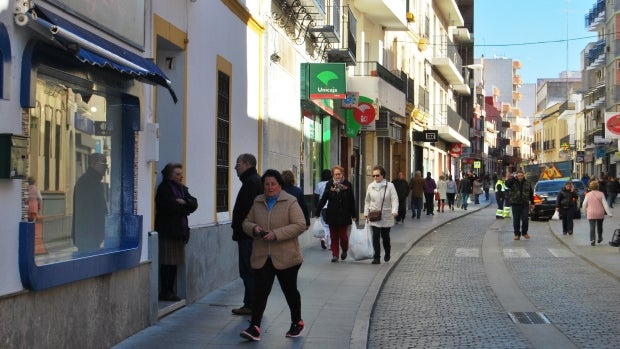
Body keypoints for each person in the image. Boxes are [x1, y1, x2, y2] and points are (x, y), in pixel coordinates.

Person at [240, 169, 307, 341]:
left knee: (290, 291)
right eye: (266, 184)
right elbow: (246, 222)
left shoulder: (290, 201)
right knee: (260, 292)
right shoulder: (258, 201)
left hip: (286, 257)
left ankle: (296, 322)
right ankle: (254, 327)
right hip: (262, 256)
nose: (269, 187)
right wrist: (253, 229)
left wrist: (277, 234)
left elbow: (300, 225)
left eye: (273, 184)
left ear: (279, 185)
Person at [155, 163, 198, 301]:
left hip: (179, 232)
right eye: (177, 174)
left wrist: (184, 202)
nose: (181, 176)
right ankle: (165, 291)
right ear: (170, 175)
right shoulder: (164, 188)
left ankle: (171, 290)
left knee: (174, 263)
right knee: (167, 263)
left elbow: (194, 203)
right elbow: (170, 207)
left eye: (181, 173)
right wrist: (185, 207)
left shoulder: (182, 189)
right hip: (168, 231)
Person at [231, 154, 263, 315]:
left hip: (247, 234)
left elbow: (246, 210)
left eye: (238, 163)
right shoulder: (253, 181)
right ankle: (249, 302)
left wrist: (240, 226)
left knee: (248, 270)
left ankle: (251, 304)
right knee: (249, 270)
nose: (235, 167)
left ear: (247, 164)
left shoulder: (251, 182)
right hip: (248, 233)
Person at [315, 166, 358, 262]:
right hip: (332, 214)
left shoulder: (348, 185)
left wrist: (354, 215)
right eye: (335, 174)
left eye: (339, 174)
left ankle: (344, 250)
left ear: (342, 174)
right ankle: (335, 255)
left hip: (344, 214)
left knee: (343, 237)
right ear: (332, 175)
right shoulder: (329, 184)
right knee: (333, 236)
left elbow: (352, 200)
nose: (337, 176)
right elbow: (324, 198)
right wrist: (317, 211)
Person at [72, 153, 108, 252]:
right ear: (93, 164)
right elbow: (86, 212)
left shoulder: (95, 182)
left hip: (92, 238)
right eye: (103, 164)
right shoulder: (86, 182)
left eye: (106, 164)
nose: (106, 167)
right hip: (87, 238)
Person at [364, 165, 399, 264]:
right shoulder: (370, 186)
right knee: (375, 236)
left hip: (386, 215)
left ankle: (387, 252)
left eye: (377, 175)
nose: (375, 177)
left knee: (385, 237)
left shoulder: (390, 186)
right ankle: (376, 257)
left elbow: (395, 199)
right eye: (373, 176)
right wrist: (366, 212)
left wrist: (394, 210)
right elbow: (367, 201)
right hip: (374, 215)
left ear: (382, 175)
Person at [504, 170, 534, 240]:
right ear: (516, 176)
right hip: (515, 203)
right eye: (519, 176)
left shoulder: (527, 183)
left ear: (524, 176)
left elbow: (531, 193)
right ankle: (517, 234)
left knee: (525, 219)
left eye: (521, 176)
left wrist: (532, 203)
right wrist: (513, 178)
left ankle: (524, 232)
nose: (520, 177)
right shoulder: (513, 182)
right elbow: (507, 184)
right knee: (516, 220)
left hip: (525, 204)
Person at [582, 180, 613, 246]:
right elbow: (605, 204)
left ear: (590, 187)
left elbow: (584, 204)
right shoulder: (601, 194)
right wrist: (609, 213)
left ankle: (592, 239)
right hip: (600, 212)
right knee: (600, 226)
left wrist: (585, 212)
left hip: (591, 213)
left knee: (592, 227)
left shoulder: (588, 194)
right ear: (597, 186)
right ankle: (600, 237)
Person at [314, 169, 332, 249]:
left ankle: (323, 238)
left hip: (322, 207)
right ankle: (329, 243)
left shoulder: (319, 184)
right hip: (331, 206)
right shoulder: (331, 184)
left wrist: (316, 208)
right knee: (329, 225)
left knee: (324, 224)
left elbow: (316, 197)